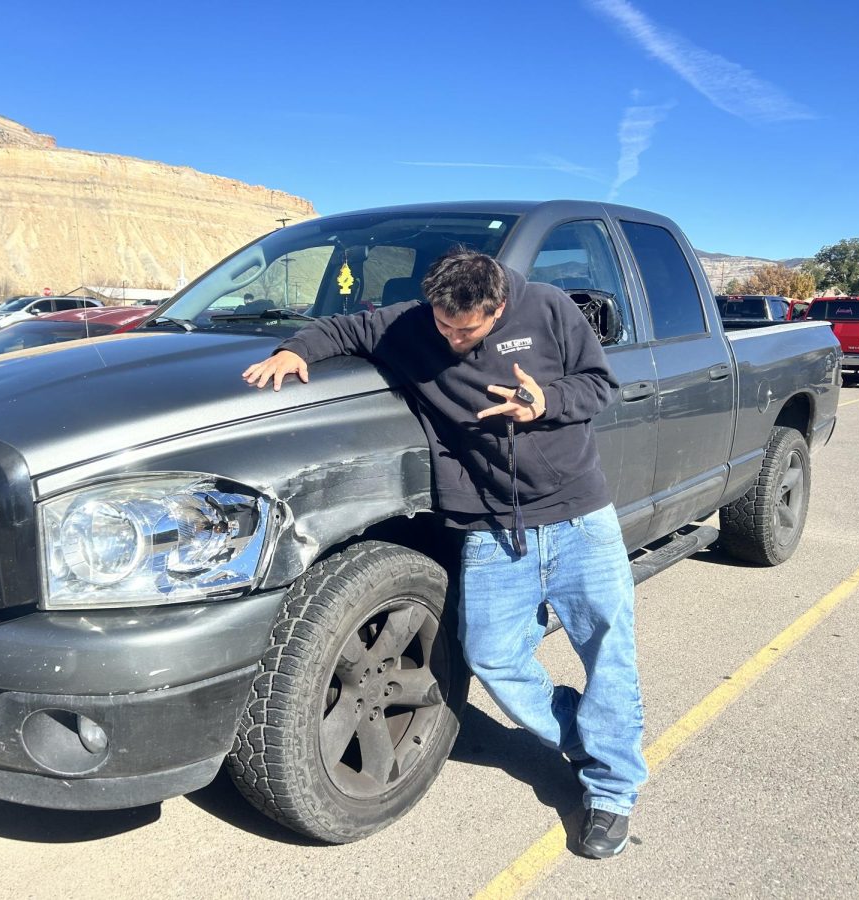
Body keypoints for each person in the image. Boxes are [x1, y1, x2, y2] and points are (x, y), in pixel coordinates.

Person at [242, 250, 646, 858]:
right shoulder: (412, 323)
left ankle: (612, 790)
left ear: (500, 306)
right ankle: (590, 734)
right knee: (490, 653)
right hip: (491, 527)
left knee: (609, 652)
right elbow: (344, 328)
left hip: (578, 517)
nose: (453, 339)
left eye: (468, 329)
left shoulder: (549, 308)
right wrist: (294, 350)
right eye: (443, 326)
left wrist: (545, 403)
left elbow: (599, 386)